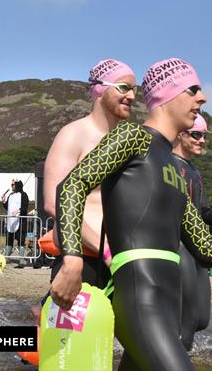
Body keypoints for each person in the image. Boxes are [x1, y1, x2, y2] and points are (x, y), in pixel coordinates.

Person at [51, 58, 212, 370]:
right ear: (167, 95)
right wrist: (71, 260)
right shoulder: (132, 137)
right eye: (193, 89)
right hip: (141, 299)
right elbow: (72, 186)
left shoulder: (176, 170)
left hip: (168, 306)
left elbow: (205, 249)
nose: (202, 98)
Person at [44, 59, 136, 290]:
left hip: (121, 260)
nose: (132, 96)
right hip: (84, 259)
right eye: (124, 88)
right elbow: (54, 203)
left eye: (135, 89)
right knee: (70, 328)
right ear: (100, 89)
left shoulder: (128, 141)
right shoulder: (74, 134)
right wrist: (105, 250)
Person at [172, 113, 212, 350]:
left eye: (204, 136)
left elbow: (203, 210)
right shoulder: (166, 164)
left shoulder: (194, 172)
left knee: (200, 318)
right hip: (178, 247)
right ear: (181, 134)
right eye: (196, 135)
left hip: (198, 250)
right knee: (183, 322)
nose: (202, 141)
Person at [2, 179, 29, 268]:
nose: (12, 186)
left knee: (21, 240)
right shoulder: (11, 195)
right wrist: (4, 201)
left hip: (20, 222)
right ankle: (5, 258)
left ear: (17, 185)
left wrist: (18, 211)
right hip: (11, 222)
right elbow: (8, 207)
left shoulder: (23, 195)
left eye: (13, 185)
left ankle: (21, 260)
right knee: (9, 240)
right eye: (11, 184)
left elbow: (25, 207)